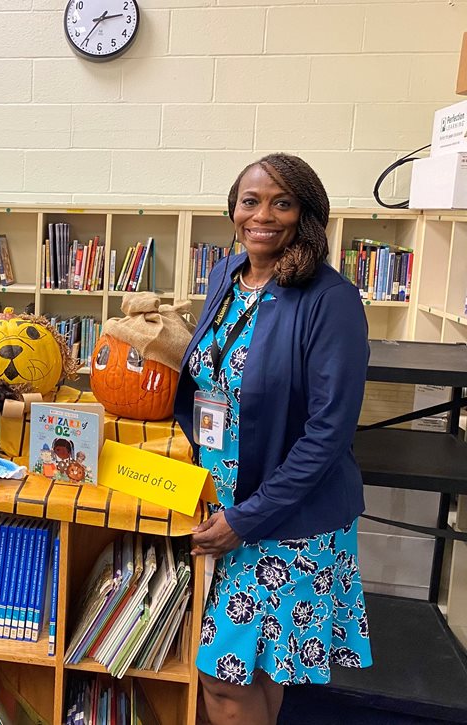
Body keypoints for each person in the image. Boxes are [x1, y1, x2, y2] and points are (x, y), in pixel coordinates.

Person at [173, 153, 372, 725]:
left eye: (281, 202)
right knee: (255, 670)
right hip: (225, 496)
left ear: (305, 212)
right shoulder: (226, 275)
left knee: (222, 678)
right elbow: (217, 382)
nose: (263, 215)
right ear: (233, 209)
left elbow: (328, 432)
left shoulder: (329, 299)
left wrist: (249, 517)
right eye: (250, 201)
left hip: (284, 518)